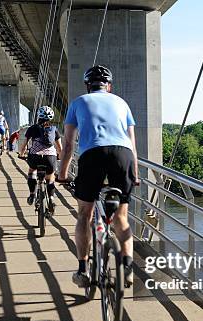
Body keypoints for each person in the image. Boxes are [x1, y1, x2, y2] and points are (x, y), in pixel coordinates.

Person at [58, 65, 139, 288]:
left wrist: (63, 174)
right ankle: (128, 267)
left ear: (88, 85)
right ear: (109, 86)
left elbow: (68, 144)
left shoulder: (78, 103)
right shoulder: (122, 103)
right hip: (123, 157)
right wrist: (135, 174)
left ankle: (83, 270)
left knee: (84, 214)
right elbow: (132, 144)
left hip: (92, 156)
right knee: (121, 217)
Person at [19, 106, 62, 214]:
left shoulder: (32, 128)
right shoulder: (54, 129)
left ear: (39, 116)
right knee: (50, 177)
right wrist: (60, 156)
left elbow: (24, 145)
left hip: (35, 157)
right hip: (50, 158)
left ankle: (32, 194)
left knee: (31, 172)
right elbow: (60, 148)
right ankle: (51, 198)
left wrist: (21, 154)